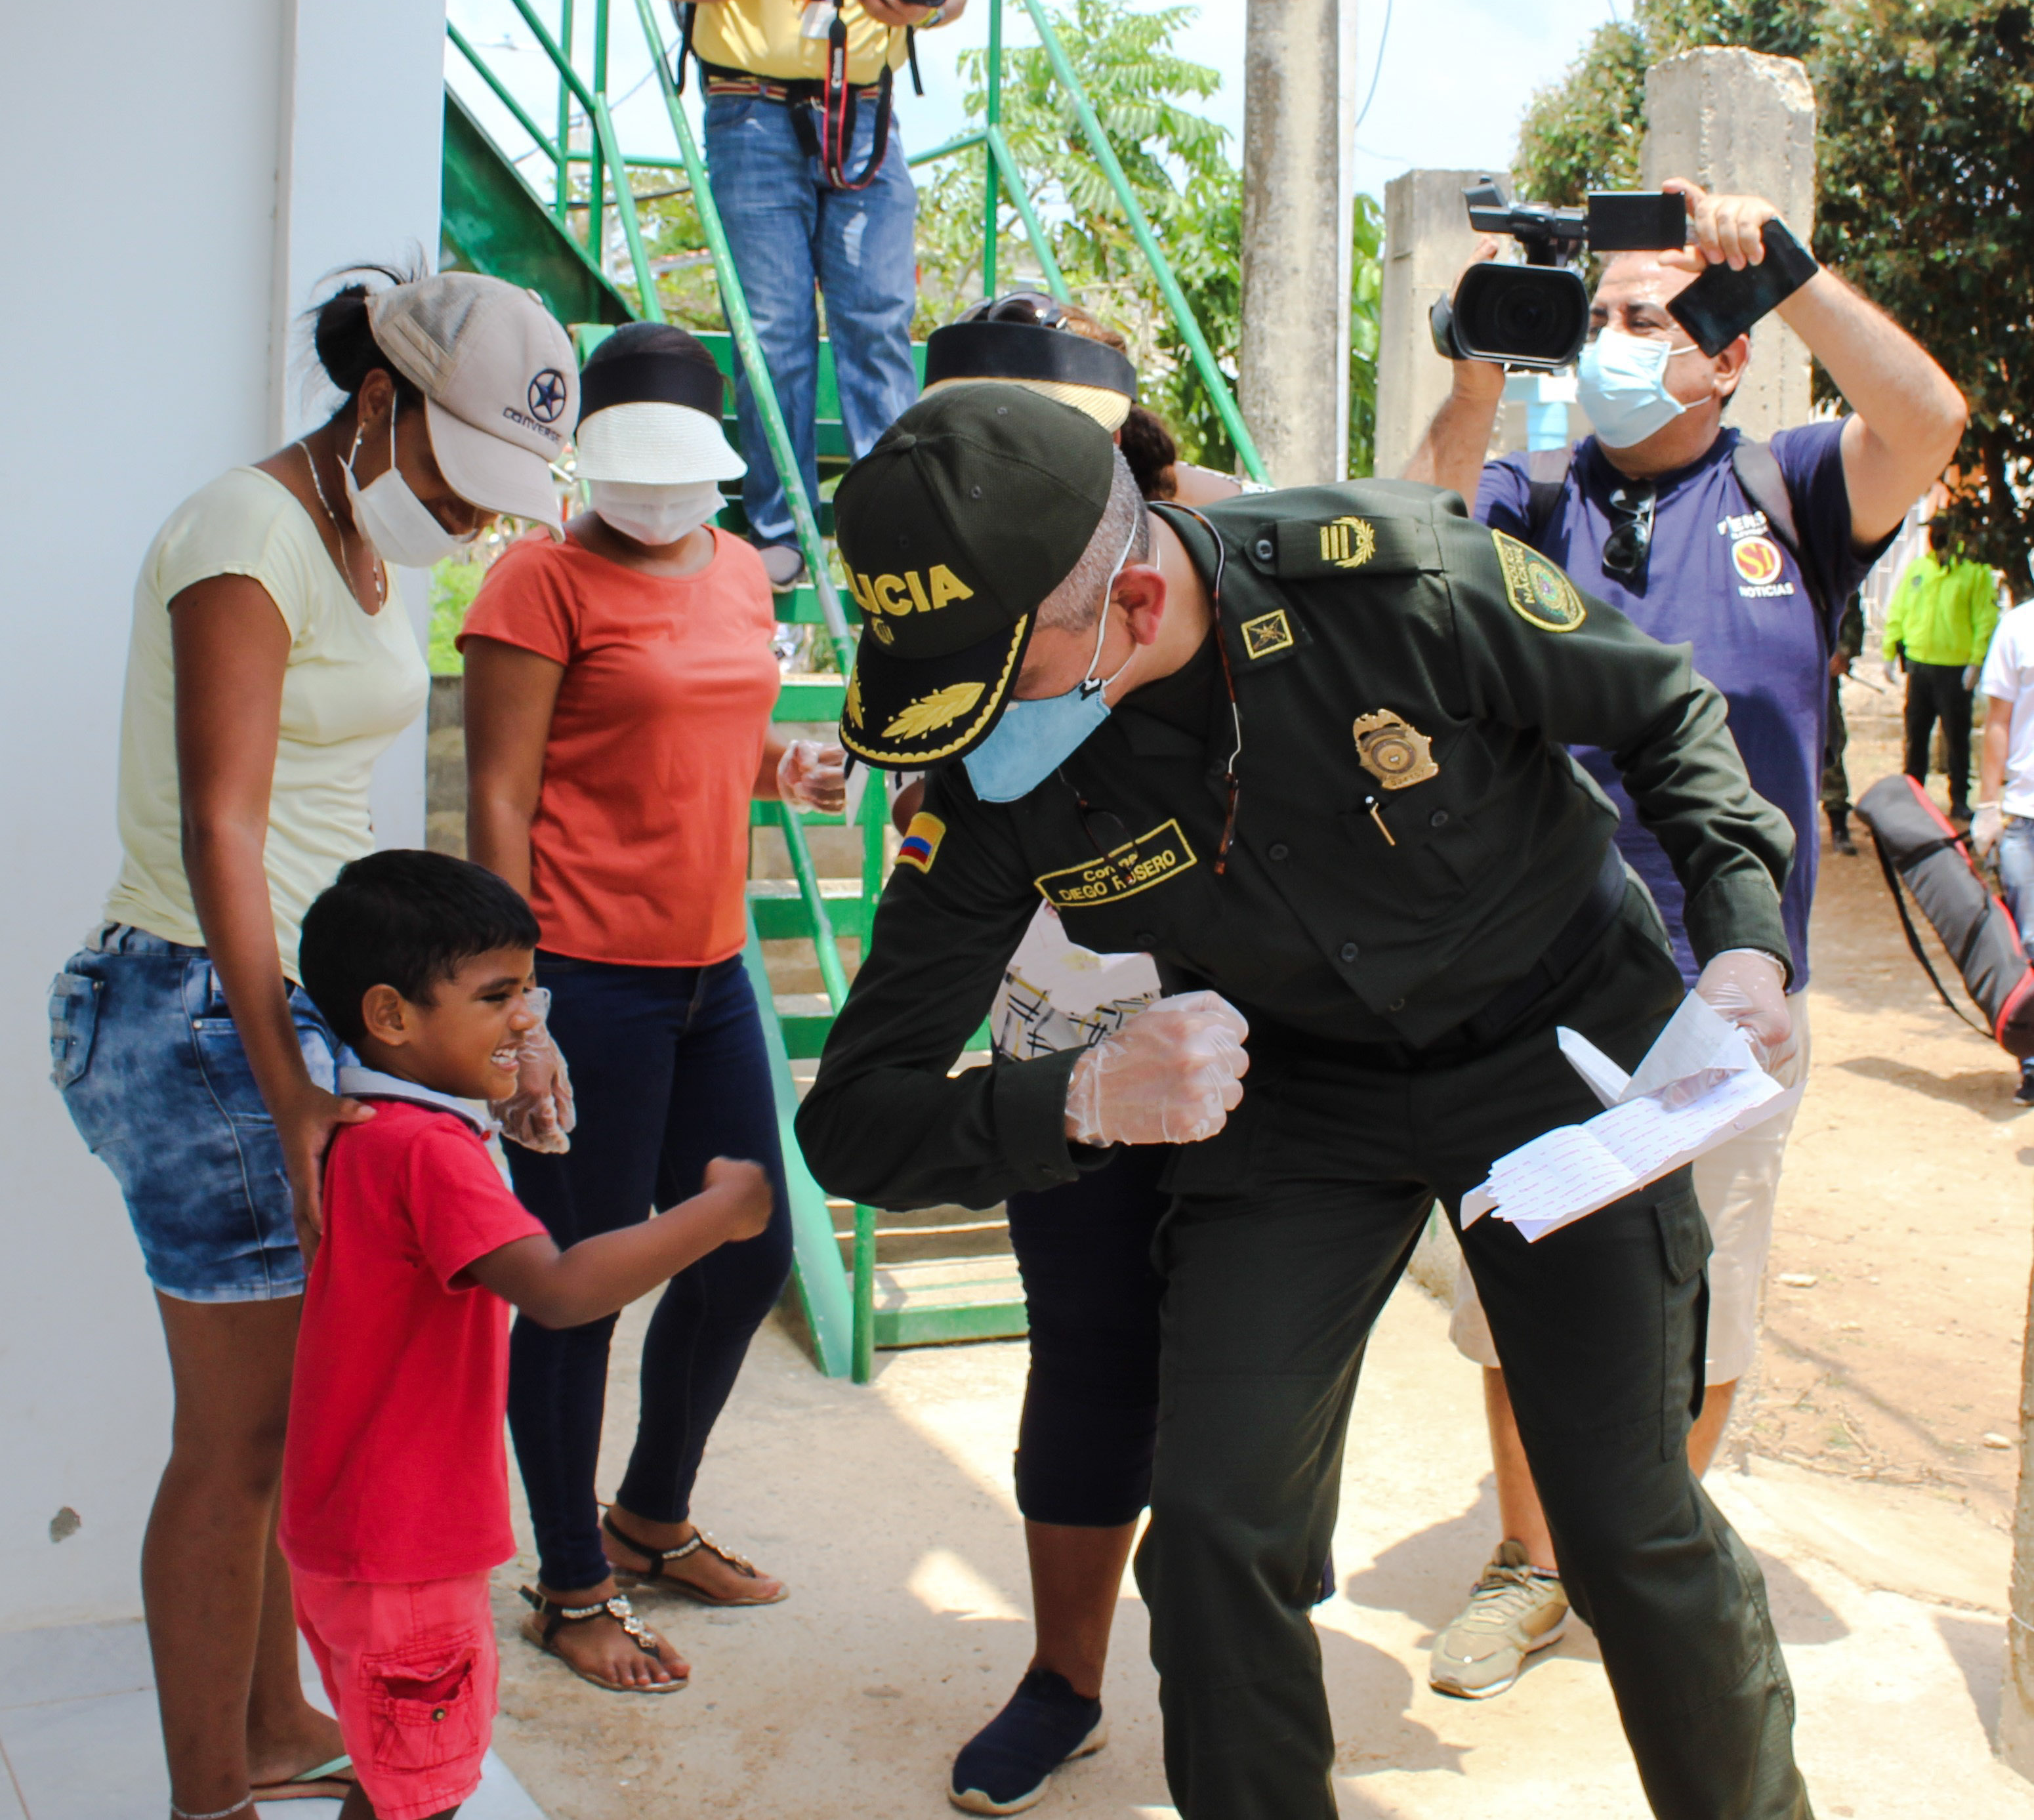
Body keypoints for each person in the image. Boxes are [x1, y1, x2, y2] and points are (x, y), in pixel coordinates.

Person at [800, 379, 1817, 1820]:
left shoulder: (1395, 584)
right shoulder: (991, 784)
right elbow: (851, 1116)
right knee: (1214, 1531)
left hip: (1559, 1060)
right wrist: (1082, 1092)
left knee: (1624, 1527)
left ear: (1135, 600)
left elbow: (1661, 710)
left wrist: (1737, 938)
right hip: (1299, 1097)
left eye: (997, 673)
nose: (970, 729)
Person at [1405, 180, 1966, 1700]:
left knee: (1701, 1287)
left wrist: (1779, 267)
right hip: (1520, 984)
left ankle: (1641, 1543)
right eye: (1590, 318)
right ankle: (1528, 1562)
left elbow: (1923, 419)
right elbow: (1408, 536)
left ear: (1718, 354)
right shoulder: (1526, 495)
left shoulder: (1789, 492)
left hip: (1724, 989)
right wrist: (1470, 371)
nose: (1604, 341)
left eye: (1642, 315)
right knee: (1517, 1278)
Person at [47, 268, 576, 1820]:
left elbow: (339, 823)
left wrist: (497, 1022)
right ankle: (208, 1785)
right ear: (377, 403)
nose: (473, 525)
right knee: (246, 1431)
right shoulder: (246, 532)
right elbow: (223, 821)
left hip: (304, 1009)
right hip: (201, 1006)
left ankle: (273, 1716)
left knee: (314, 1411)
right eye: (453, 480)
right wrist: (289, 1091)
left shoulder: (372, 548)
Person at [900, 299, 1251, 1815]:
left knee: (1249, 1371)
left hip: (1251, 1037)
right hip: (1064, 1026)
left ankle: (1242, 1694)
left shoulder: (1221, 558)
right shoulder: (920, 574)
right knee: (1088, 1351)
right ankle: (1064, 1677)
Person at [460, 321, 843, 1692]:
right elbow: (500, 795)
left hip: (710, 969)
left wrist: (778, 763)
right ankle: (568, 1580)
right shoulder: (535, 579)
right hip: (587, 980)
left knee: (745, 1245)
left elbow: (703, 733)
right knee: (574, 1290)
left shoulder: (740, 568)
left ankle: (649, 1516)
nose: (663, 497)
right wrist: (514, 1007)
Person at [285, 849, 774, 1820]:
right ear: (390, 1015)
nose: (526, 1017)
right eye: (498, 994)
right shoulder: (427, 1150)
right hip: (410, 1553)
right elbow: (558, 1290)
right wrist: (717, 1210)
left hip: (346, 1534)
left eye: (532, 988)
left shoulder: (357, 1119)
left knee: (394, 1777)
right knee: (419, 1792)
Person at [648, 0, 967, 591]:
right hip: (750, 113)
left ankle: (888, 529)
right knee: (778, 331)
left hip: (865, 115)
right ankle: (780, 526)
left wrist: (922, 7)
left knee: (876, 324)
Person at [1884, 511, 1999, 821]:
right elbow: (1899, 609)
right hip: (1919, 666)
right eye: (1933, 531)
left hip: (1954, 670)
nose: (1936, 537)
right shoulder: (1919, 569)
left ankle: (1959, 798)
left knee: (1956, 738)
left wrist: (1976, 662)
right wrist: (1889, 649)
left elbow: (1984, 620)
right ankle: (1913, 795)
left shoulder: (1974, 573)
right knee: (1915, 737)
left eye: (1942, 531)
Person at [1972, 599, 2034, 1106]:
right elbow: (1999, 719)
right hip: (2026, 814)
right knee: (2031, 944)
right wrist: (1988, 804)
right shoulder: (2018, 628)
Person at [1822, 591, 1866, 856]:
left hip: (1821, 675)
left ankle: (1838, 825)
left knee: (1830, 745)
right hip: (1774, 674)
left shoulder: (1826, 564)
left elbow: (1852, 615)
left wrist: (1844, 651)